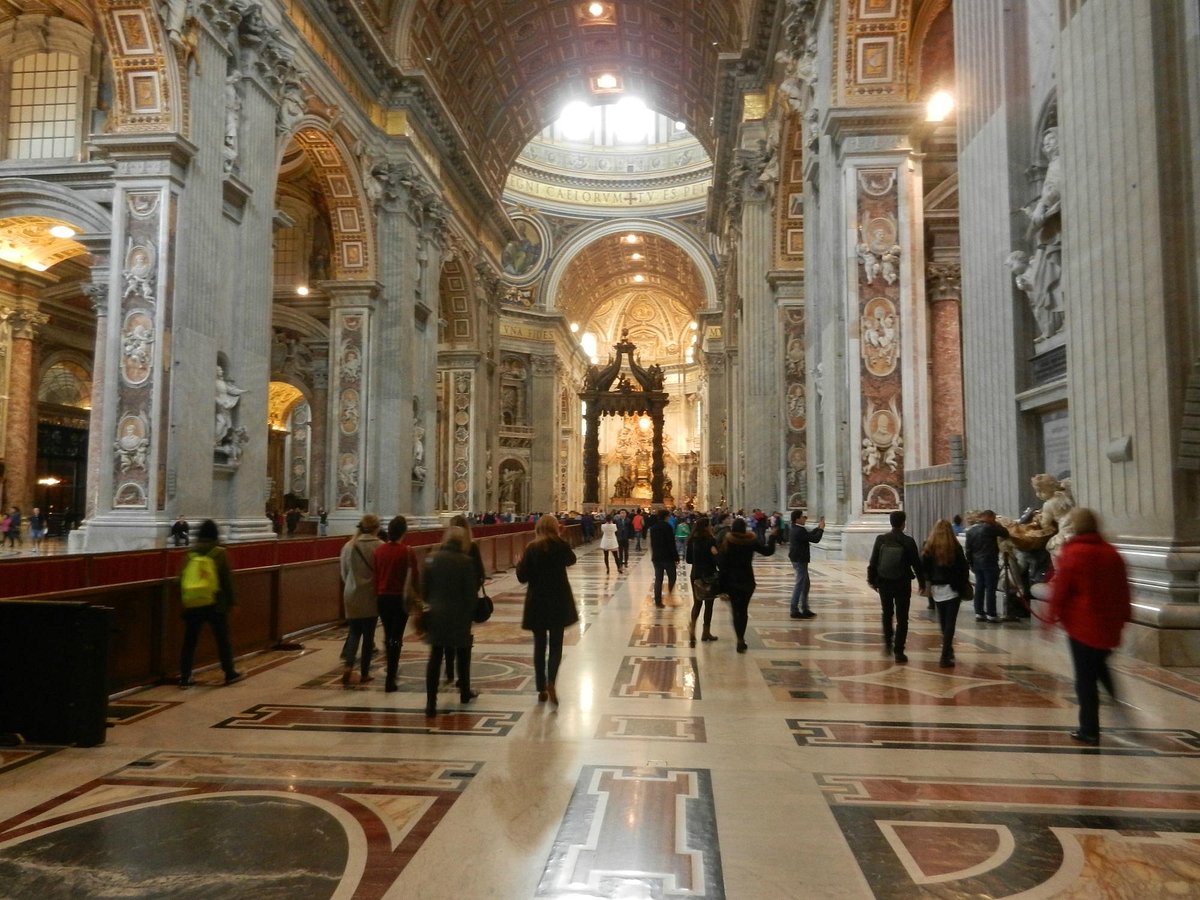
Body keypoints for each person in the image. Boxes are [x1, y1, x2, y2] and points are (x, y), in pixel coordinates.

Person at [1046, 508, 1132, 745]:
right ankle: (1118, 703)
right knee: (1099, 665)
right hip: (1109, 623)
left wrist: (1050, 617)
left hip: (1083, 624)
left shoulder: (1074, 553)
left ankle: (1089, 729)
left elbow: (1061, 589)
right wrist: (1124, 616)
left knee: (1085, 679)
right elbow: (1123, 587)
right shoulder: (1111, 552)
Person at [516, 514, 578, 706]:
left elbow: (522, 577)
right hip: (558, 601)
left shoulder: (532, 548)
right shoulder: (560, 545)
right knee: (556, 645)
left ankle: (541, 687)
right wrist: (560, 537)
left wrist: (519, 562)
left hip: (537, 602)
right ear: (555, 528)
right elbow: (572, 560)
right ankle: (552, 680)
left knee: (539, 645)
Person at [422, 525, 479, 717]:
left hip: (437, 614)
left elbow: (424, 589)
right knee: (463, 655)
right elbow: (470, 594)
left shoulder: (432, 558)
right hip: (460, 614)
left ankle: (431, 703)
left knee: (435, 657)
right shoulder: (465, 561)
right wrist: (470, 612)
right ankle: (464, 692)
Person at [178, 519, 242, 686]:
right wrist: (233, 603)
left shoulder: (190, 553)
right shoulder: (219, 553)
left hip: (193, 604)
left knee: (189, 642)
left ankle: (185, 677)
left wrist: (185, 598)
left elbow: (181, 578)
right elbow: (227, 581)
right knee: (222, 640)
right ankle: (229, 672)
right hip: (216, 604)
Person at [866, 510, 926, 663]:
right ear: (903, 523)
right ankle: (899, 650)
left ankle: (887, 642)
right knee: (902, 617)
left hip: (884, 582)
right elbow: (917, 564)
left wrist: (871, 580)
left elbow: (873, 561)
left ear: (891, 522)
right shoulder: (908, 541)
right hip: (902, 583)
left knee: (887, 613)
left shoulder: (881, 539)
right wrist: (922, 582)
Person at [717, 517, 777, 652]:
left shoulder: (728, 541)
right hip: (747, 580)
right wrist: (772, 537)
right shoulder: (750, 541)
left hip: (731, 581)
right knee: (743, 610)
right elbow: (768, 551)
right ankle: (741, 639)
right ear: (745, 528)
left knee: (735, 610)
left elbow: (722, 564)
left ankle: (739, 638)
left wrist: (721, 587)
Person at [374, 515, 419, 693]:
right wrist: (419, 598)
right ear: (404, 532)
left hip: (382, 598)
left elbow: (376, 576)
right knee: (396, 637)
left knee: (387, 634)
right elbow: (415, 577)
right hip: (400, 598)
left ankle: (390, 670)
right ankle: (391, 677)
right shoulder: (407, 551)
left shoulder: (378, 551)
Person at [338, 514, 382, 687]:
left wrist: (352, 584)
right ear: (377, 528)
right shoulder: (380, 546)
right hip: (371, 596)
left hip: (351, 594)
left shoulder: (349, 546)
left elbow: (344, 573)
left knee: (354, 633)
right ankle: (364, 673)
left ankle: (349, 666)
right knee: (368, 635)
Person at [921, 519, 971, 667]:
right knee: (950, 622)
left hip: (937, 588)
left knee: (943, 621)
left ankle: (947, 650)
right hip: (953, 587)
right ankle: (946, 653)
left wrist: (927, 581)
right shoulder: (955, 547)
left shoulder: (929, 547)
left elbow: (924, 567)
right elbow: (963, 567)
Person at [444, 514, 486, 686]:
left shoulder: (443, 550)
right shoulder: (472, 547)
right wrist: (472, 591)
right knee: (463, 638)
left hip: (447, 601)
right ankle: (463, 680)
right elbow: (480, 574)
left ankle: (449, 670)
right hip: (466, 602)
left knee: (447, 636)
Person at [965, 509, 1010, 622]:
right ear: (990, 517)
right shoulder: (990, 528)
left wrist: (971, 563)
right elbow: (1005, 533)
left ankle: (979, 612)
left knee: (979, 587)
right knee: (990, 588)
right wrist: (995, 523)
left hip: (977, 562)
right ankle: (991, 613)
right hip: (989, 562)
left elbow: (968, 550)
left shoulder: (971, 531)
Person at [685, 516, 720, 646]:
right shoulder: (710, 540)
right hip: (709, 575)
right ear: (707, 527)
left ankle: (692, 629)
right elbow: (716, 559)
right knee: (709, 605)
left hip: (695, 574)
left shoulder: (691, 540)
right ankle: (706, 632)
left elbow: (688, 560)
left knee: (697, 603)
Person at [787, 510, 826, 619]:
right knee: (800, 584)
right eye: (803, 517)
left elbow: (808, 535)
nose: (805, 518)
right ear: (797, 519)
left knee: (805, 584)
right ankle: (794, 609)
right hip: (800, 560)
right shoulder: (798, 530)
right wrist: (821, 529)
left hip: (798, 559)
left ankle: (805, 608)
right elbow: (815, 539)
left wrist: (818, 528)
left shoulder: (797, 528)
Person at [648, 509, 679, 607]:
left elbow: (652, 544)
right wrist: (676, 557)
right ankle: (671, 597)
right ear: (666, 516)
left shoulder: (653, 528)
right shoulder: (668, 527)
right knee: (672, 577)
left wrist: (653, 555)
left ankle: (658, 601)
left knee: (658, 579)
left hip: (657, 557)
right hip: (667, 557)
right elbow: (671, 543)